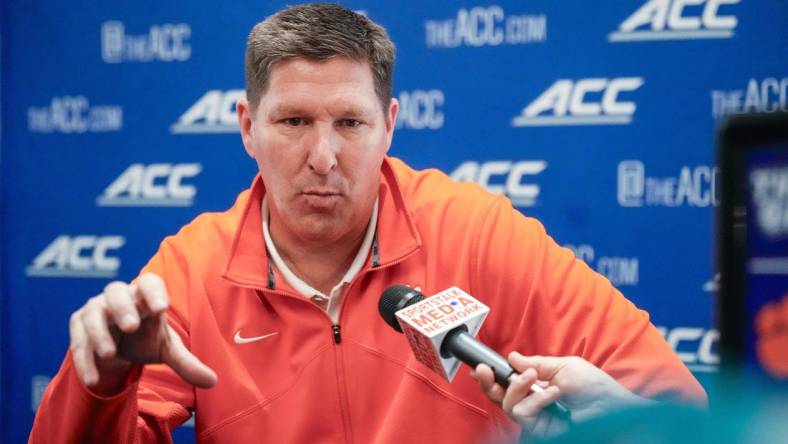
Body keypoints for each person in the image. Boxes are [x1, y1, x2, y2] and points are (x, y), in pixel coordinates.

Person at [29, 4, 706, 443]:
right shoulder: (191, 272)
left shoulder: (476, 231)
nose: (322, 157)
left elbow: (682, 408)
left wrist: (617, 422)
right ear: (247, 129)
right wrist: (102, 384)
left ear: (390, 126)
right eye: (293, 121)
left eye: (349, 123)